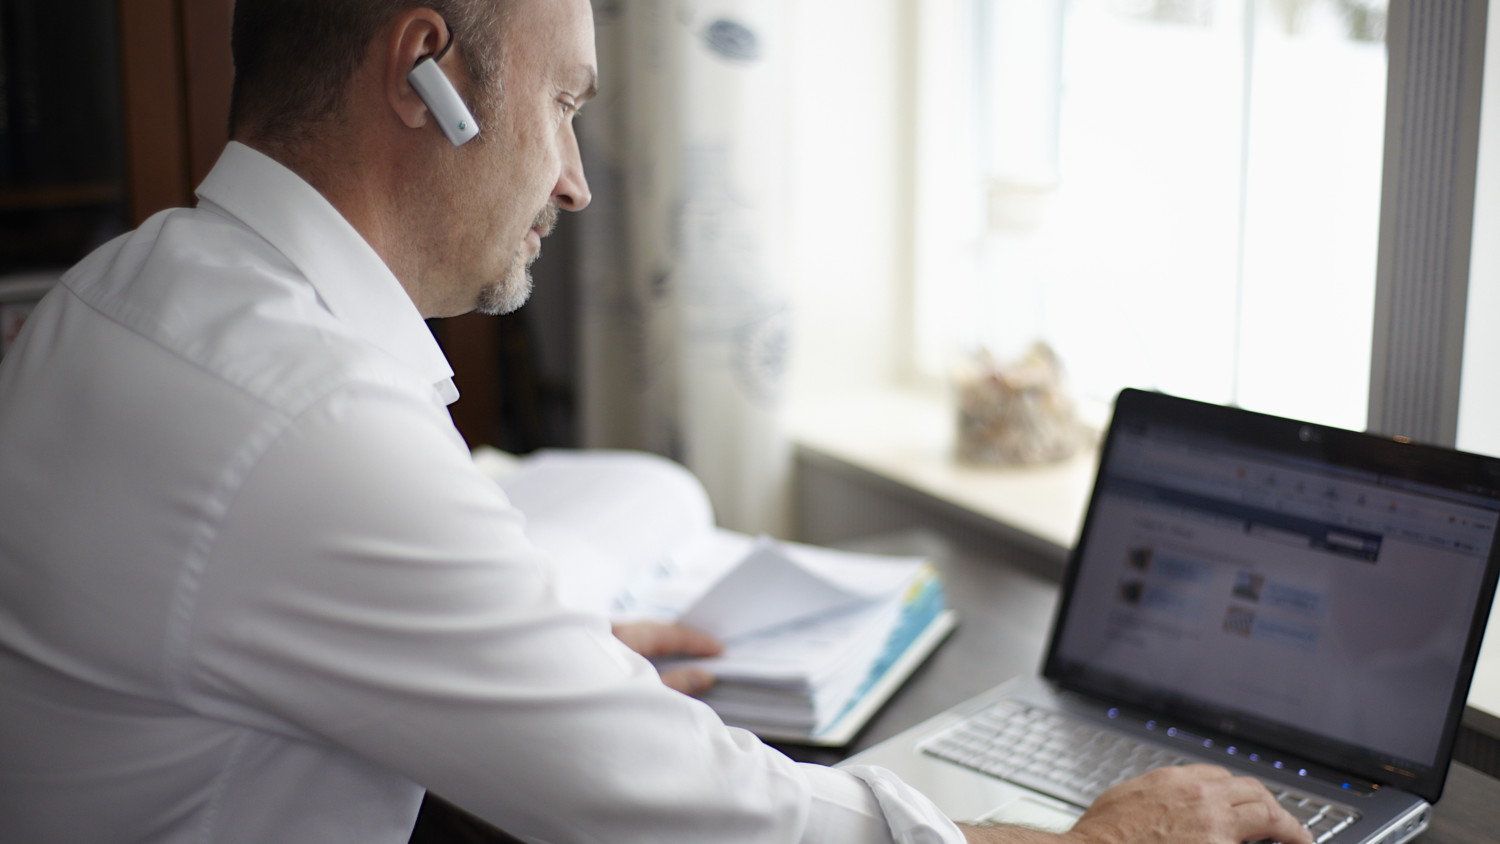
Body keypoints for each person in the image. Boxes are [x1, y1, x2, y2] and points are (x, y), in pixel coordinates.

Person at [0, 1, 1312, 843]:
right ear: (425, 75)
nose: (574, 184)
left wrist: (505, 644)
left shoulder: (120, 286)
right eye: (565, 103)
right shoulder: (310, 424)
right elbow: (686, 812)